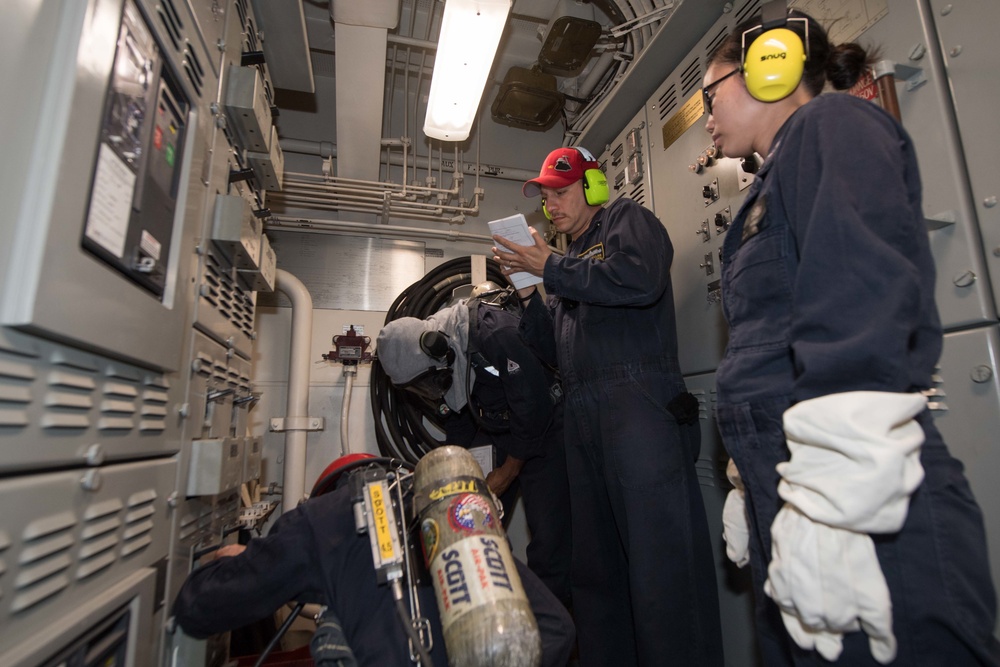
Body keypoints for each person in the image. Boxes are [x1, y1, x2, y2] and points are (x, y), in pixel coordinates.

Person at [701, 2, 1000, 665]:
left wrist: (830, 507)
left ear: (767, 72)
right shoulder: (772, 177)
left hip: (863, 507)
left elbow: (858, 297)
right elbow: (774, 338)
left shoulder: (831, 125)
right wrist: (748, 479)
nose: (706, 115)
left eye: (710, 94)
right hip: (800, 487)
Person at [491, 146, 724, 666]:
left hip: (637, 408)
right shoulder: (568, 264)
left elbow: (640, 280)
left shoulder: (627, 221)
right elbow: (554, 350)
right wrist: (531, 292)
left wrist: (551, 266)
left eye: (563, 191)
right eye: (546, 197)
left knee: (661, 567)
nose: (552, 205)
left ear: (594, 187)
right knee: (596, 574)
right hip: (583, 413)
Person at [172, 455, 576, 667]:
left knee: (332, 624)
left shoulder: (318, 521)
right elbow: (557, 629)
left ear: (326, 491)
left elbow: (198, 608)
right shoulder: (447, 519)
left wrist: (245, 559)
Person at [376, 286, 572, 609]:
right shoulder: (440, 356)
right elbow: (461, 417)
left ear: (436, 349)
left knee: (550, 542)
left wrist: (507, 473)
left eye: (427, 381)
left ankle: (550, 630)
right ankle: (481, 602)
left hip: (544, 422)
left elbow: (533, 407)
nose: (430, 391)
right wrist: (452, 480)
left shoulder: (492, 334)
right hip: (501, 421)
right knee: (470, 515)